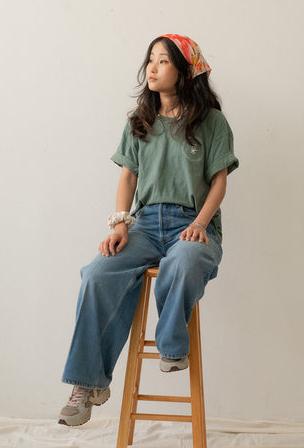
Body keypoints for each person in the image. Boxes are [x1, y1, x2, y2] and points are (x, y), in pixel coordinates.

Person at [58, 34, 239, 426]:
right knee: (96, 273)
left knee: (186, 259)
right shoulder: (139, 121)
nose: (152, 68)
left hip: (193, 223)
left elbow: (220, 181)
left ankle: (172, 344)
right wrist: (121, 223)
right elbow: (128, 176)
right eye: (151, 60)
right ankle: (87, 385)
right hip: (144, 225)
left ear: (185, 71)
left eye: (163, 61)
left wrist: (199, 224)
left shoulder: (211, 122)